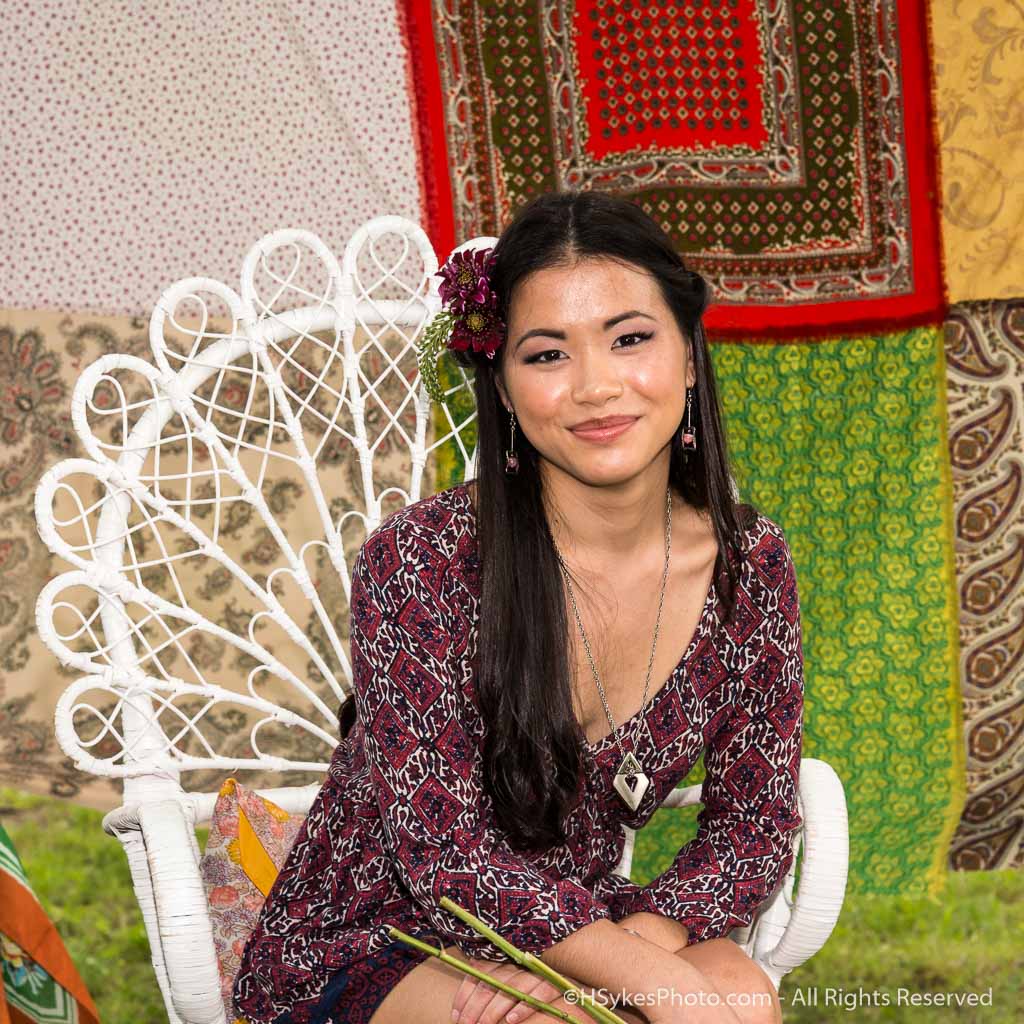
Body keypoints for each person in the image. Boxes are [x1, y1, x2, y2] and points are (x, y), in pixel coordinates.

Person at [232, 189, 804, 1024]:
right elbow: (445, 854)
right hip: (381, 933)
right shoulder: (421, 560)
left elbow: (755, 823)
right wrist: (647, 986)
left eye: (631, 339)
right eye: (547, 355)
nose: (597, 386)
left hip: (577, 914)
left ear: (688, 355)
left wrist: (634, 951)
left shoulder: (748, 566)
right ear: (500, 383)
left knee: (744, 999)